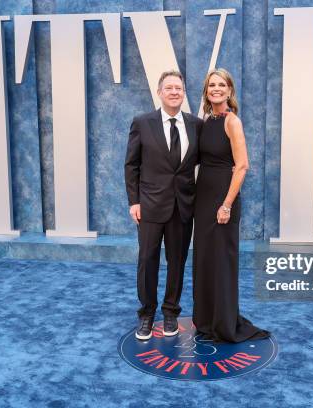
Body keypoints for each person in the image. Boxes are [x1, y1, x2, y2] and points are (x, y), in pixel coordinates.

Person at [192, 68, 270, 343]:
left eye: (221, 84)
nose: (216, 88)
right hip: (203, 201)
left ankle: (223, 325)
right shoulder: (206, 120)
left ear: (229, 90)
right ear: (206, 91)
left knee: (222, 263)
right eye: (211, 85)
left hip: (223, 201)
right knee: (204, 260)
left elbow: (242, 166)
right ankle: (205, 323)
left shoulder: (231, 121)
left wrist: (226, 205)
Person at [124, 70, 202, 340]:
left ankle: (171, 312)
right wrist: (134, 201)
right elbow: (131, 164)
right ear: (159, 92)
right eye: (168, 87)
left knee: (177, 262)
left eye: (178, 88)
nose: (174, 92)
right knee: (147, 261)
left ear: (183, 92)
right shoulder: (142, 123)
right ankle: (146, 315)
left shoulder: (196, 125)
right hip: (149, 206)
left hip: (183, 206)